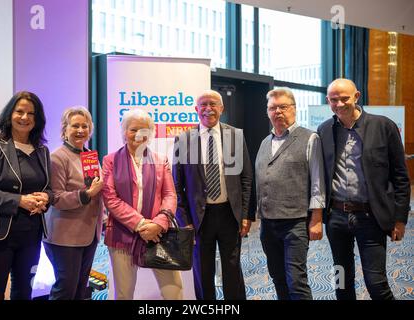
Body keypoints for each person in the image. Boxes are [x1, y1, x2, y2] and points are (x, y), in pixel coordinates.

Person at [318, 78, 411, 300]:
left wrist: (400, 219)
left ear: (357, 97)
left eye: (344, 98)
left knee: (376, 282)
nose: (339, 104)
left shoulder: (384, 126)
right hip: (337, 218)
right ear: (328, 101)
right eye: (333, 100)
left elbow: (401, 176)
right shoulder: (324, 130)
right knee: (340, 279)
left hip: (371, 217)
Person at [0, 91, 53, 300]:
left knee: (23, 293)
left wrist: (46, 198)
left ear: (37, 119)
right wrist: (19, 201)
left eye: (31, 113)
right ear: (9, 114)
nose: (25, 117)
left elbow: (48, 188)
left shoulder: (42, 151)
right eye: (20, 111)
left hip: (31, 236)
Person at [173, 89, 253, 300]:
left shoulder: (235, 136)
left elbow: (246, 179)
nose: (208, 109)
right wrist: (185, 222)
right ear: (196, 109)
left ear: (221, 108)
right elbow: (176, 186)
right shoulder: (183, 140)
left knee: (232, 268)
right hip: (199, 219)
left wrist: (245, 214)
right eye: (203, 105)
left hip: (230, 214)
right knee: (203, 270)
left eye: (213, 104)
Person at [102, 109, 183, 300]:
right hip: (122, 236)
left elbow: (170, 194)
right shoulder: (110, 160)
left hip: (158, 235)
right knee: (124, 294)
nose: (138, 135)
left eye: (144, 130)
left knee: (174, 291)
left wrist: (158, 224)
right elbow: (110, 198)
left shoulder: (160, 160)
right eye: (133, 129)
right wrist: (141, 224)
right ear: (124, 132)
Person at [255, 87, 325, 300]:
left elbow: (318, 181)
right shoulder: (265, 142)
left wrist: (317, 219)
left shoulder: (310, 138)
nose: (277, 112)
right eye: (272, 108)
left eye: (283, 107)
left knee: (296, 280)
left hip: (295, 223)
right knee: (278, 277)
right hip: (268, 224)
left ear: (294, 109)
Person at [43, 107, 104, 300]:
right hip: (64, 237)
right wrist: (86, 194)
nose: (80, 130)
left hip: (89, 234)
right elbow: (56, 198)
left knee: (80, 288)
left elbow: (97, 193)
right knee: (65, 289)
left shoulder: (90, 156)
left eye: (84, 126)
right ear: (65, 129)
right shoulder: (57, 158)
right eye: (75, 125)